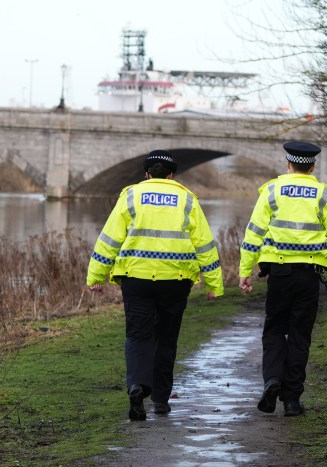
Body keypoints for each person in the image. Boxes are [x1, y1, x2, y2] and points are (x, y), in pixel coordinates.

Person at [87, 150, 224, 420]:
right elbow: (204, 244)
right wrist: (214, 283)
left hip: (136, 279)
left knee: (138, 335)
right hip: (176, 280)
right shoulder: (187, 199)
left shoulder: (130, 196)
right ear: (171, 175)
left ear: (147, 174)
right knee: (166, 338)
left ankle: (137, 385)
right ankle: (160, 400)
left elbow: (110, 238)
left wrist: (96, 275)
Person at [238, 141, 327, 417]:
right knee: (300, 334)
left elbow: (253, 234)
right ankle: (291, 401)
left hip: (278, 273)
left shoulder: (272, 190)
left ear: (288, 164)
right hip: (308, 276)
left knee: (274, 329)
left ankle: (272, 380)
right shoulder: (324, 195)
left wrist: (245, 271)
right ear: (312, 166)